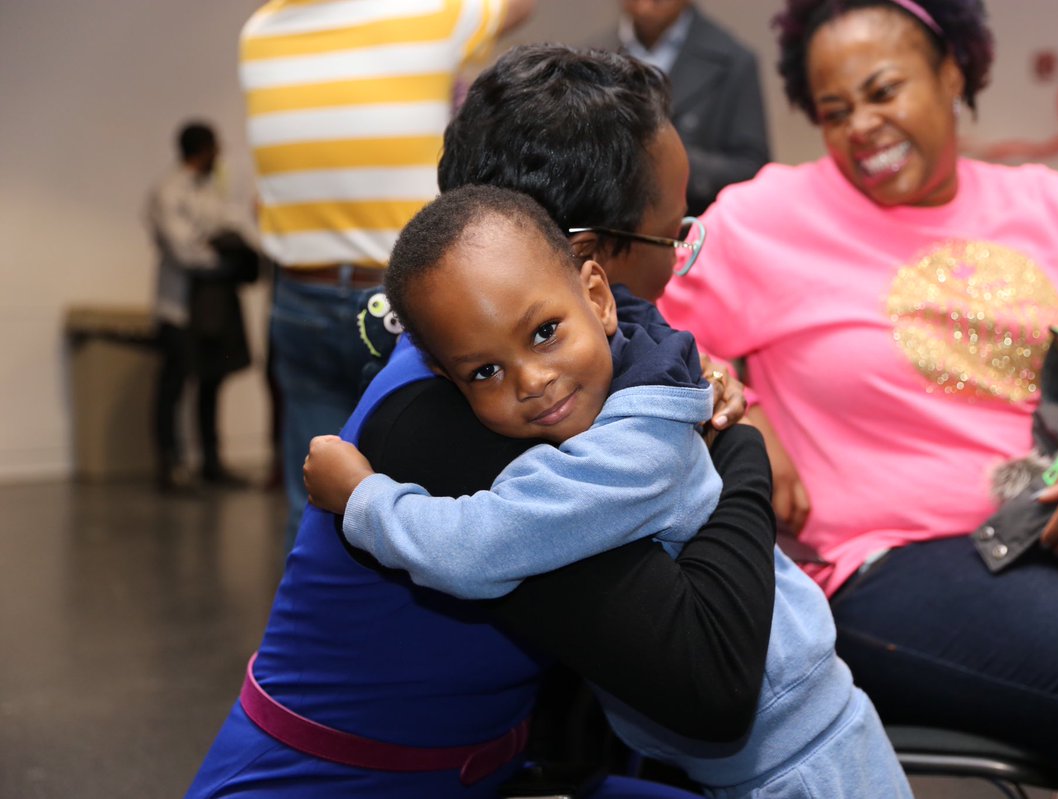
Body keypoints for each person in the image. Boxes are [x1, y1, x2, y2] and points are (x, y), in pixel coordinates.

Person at [186, 44, 781, 799]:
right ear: (591, 265)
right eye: (674, 237)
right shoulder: (473, 425)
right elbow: (712, 682)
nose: (676, 268)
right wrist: (742, 453)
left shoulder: (495, 373)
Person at [657, 0, 1058, 795]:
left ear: (952, 73)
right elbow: (636, 329)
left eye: (884, 91)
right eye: (834, 110)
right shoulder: (767, 218)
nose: (862, 127)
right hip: (894, 565)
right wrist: (737, 404)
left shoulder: (1051, 206)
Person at [305, 184, 910, 798]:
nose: (533, 381)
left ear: (597, 297)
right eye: (485, 371)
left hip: (801, 769)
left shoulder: (632, 454)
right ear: (446, 377)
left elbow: (477, 547)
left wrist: (362, 500)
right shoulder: (646, 377)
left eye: (543, 333)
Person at [238, 0, 536, 547]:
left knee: (313, 500)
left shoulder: (258, 33)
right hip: (407, 306)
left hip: (300, 293)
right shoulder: (434, 13)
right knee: (427, 496)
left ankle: (314, 629)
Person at [146, 120, 257, 491]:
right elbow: (186, 250)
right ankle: (171, 465)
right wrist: (222, 255)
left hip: (213, 305)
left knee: (212, 380)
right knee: (174, 385)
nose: (220, 154)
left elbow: (230, 226)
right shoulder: (168, 191)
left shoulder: (210, 188)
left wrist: (222, 244)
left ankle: (211, 462)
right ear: (204, 149)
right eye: (216, 147)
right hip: (179, 307)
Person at [593, 1, 770, 214]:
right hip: (606, 230)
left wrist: (663, 160)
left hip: (695, 230)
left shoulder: (734, 62)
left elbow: (753, 171)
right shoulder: (588, 59)